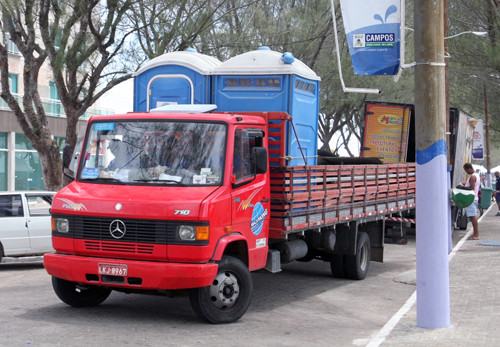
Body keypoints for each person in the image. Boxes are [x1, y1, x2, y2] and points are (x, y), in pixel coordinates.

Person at [462, 163, 480, 240]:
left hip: (471, 199)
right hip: (474, 198)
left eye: (466, 170)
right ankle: (475, 233)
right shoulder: (476, 175)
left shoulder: (472, 177)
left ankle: (476, 234)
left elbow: (472, 188)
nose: (466, 172)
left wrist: (462, 187)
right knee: (473, 216)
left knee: (473, 217)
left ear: (469, 168)